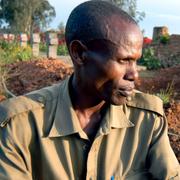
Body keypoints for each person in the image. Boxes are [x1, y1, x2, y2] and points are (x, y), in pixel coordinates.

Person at [0, 1, 179, 179]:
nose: (134, 75)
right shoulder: (18, 125)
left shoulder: (147, 119)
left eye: (136, 61)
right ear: (79, 53)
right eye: (124, 60)